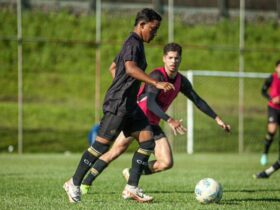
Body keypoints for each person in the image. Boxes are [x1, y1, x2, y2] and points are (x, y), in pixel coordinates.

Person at [80, 43, 231, 197]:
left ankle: (132, 173)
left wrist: (217, 118)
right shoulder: (156, 76)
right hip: (136, 120)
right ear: (164, 59)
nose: (173, 61)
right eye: (170, 58)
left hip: (152, 124)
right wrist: (170, 120)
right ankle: (86, 182)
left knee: (166, 162)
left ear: (180, 60)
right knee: (115, 151)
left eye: (176, 58)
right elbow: (151, 104)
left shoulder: (181, 81)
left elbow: (197, 100)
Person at [63, 8, 175, 203]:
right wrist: (154, 83)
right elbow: (130, 69)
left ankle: (131, 187)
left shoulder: (134, 44)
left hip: (129, 104)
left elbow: (114, 67)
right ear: (142, 25)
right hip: (119, 104)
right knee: (100, 146)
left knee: (147, 141)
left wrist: (123, 85)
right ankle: (73, 182)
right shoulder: (133, 43)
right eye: (153, 28)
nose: (155, 33)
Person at [259, 60, 280, 165]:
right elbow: (263, 91)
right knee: (272, 130)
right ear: (276, 68)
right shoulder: (271, 78)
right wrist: (271, 99)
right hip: (273, 108)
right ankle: (265, 153)